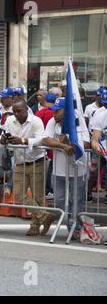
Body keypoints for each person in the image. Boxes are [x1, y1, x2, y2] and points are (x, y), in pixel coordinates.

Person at [1, 99, 56, 236]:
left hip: (37, 161)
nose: (16, 113)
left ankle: (34, 226)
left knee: (38, 196)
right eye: (14, 111)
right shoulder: (10, 121)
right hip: (20, 161)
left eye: (19, 111)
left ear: (26, 109)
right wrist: (3, 139)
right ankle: (45, 216)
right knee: (19, 195)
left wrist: (23, 141)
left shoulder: (36, 121)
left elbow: (41, 139)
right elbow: (4, 135)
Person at [42, 98, 90, 239]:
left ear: (67, 111)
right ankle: (68, 222)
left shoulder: (79, 121)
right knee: (59, 201)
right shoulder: (53, 122)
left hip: (77, 169)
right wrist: (62, 145)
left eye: (57, 111)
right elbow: (45, 139)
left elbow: (86, 144)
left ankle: (74, 228)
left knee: (76, 201)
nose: (54, 114)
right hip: (58, 170)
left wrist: (70, 140)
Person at [35, 93, 57, 198]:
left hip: (40, 142)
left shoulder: (40, 112)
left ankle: (46, 188)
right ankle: (49, 188)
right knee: (51, 168)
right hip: (50, 142)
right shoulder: (55, 113)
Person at [90, 89, 107, 205]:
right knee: (95, 172)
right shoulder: (100, 116)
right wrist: (98, 148)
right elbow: (94, 139)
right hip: (105, 153)